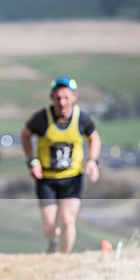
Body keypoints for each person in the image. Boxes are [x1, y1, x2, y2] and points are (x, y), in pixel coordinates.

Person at [20, 76, 101, 254]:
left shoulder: (82, 118)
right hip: (46, 178)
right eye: (58, 98)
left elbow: (94, 137)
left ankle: (64, 259)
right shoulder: (41, 118)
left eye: (66, 97)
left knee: (67, 220)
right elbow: (25, 135)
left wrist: (93, 161)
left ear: (74, 97)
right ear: (51, 97)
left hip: (72, 177)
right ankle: (53, 242)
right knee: (49, 226)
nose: (62, 102)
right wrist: (31, 161)